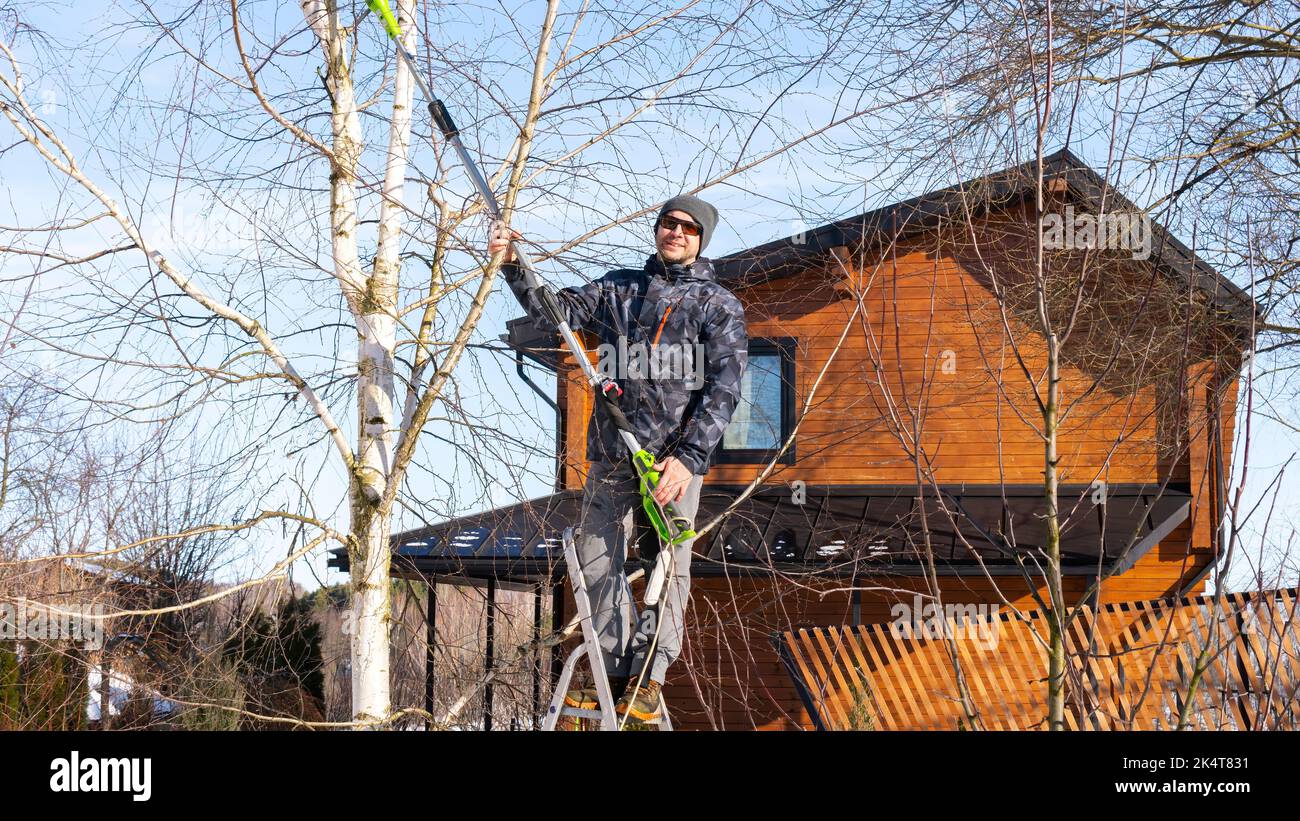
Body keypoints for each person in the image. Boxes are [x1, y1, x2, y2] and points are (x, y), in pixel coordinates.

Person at [489, 194, 748, 722]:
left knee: (667, 563)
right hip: (612, 454)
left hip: (671, 463)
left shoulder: (716, 304)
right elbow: (552, 313)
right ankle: (613, 672)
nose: (676, 232)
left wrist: (689, 457)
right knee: (594, 557)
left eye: (688, 228)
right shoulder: (617, 289)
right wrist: (513, 266)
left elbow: (725, 388)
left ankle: (647, 679)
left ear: (701, 240)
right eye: (668, 223)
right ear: (657, 231)